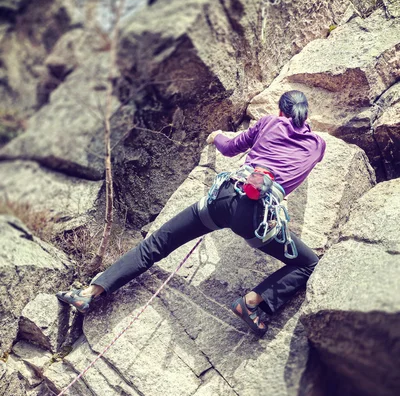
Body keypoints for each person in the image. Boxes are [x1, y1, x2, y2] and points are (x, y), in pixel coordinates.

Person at [57, 90, 326, 336]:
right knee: (308, 263)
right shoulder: (318, 145)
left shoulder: (270, 122)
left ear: (281, 111)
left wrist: (215, 136)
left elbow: (230, 147)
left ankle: (90, 291)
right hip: (255, 220)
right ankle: (252, 303)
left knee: (157, 243)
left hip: (223, 198)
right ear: (306, 115)